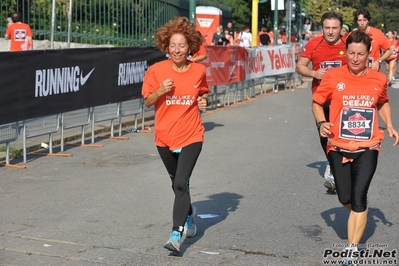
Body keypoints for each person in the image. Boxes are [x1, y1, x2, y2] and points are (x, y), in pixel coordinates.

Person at [312, 30, 399, 265]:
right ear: (346, 52)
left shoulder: (378, 79)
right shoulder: (333, 77)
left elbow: (382, 101)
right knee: (344, 197)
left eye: (361, 54)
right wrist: (321, 122)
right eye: (351, 53)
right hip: (338, 146)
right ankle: (358, 212)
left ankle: (351, 250)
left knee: (359, 197)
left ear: (368, 53)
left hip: (368, 145)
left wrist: (389, 125)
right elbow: (317, 102)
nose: (355, 58)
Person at [141, 16, 211, 254]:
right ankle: (189, 214)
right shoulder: (156, 71)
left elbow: (203, 93)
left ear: (189, 46)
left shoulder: (198, 70)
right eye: (173, 45)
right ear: (166, 47)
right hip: (164, 137)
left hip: (192, 135)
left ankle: (176, 233)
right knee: (176, 184)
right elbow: (148, 102)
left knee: (181, 183)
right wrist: (161, 90)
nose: (177, 50)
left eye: (182, 45)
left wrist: (203, 101)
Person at [296, 12, 348, 194]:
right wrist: (315, 74)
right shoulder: (314, 44)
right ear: (322, 28)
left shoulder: (348, 43)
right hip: (322, 98)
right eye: (327, 28)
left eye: (335, 28)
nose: (331, 32)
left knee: (343, 133)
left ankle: (337, 171)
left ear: (341, 28)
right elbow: (300, 66)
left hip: (345, 98)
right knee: (325, 134)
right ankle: (332, 163)